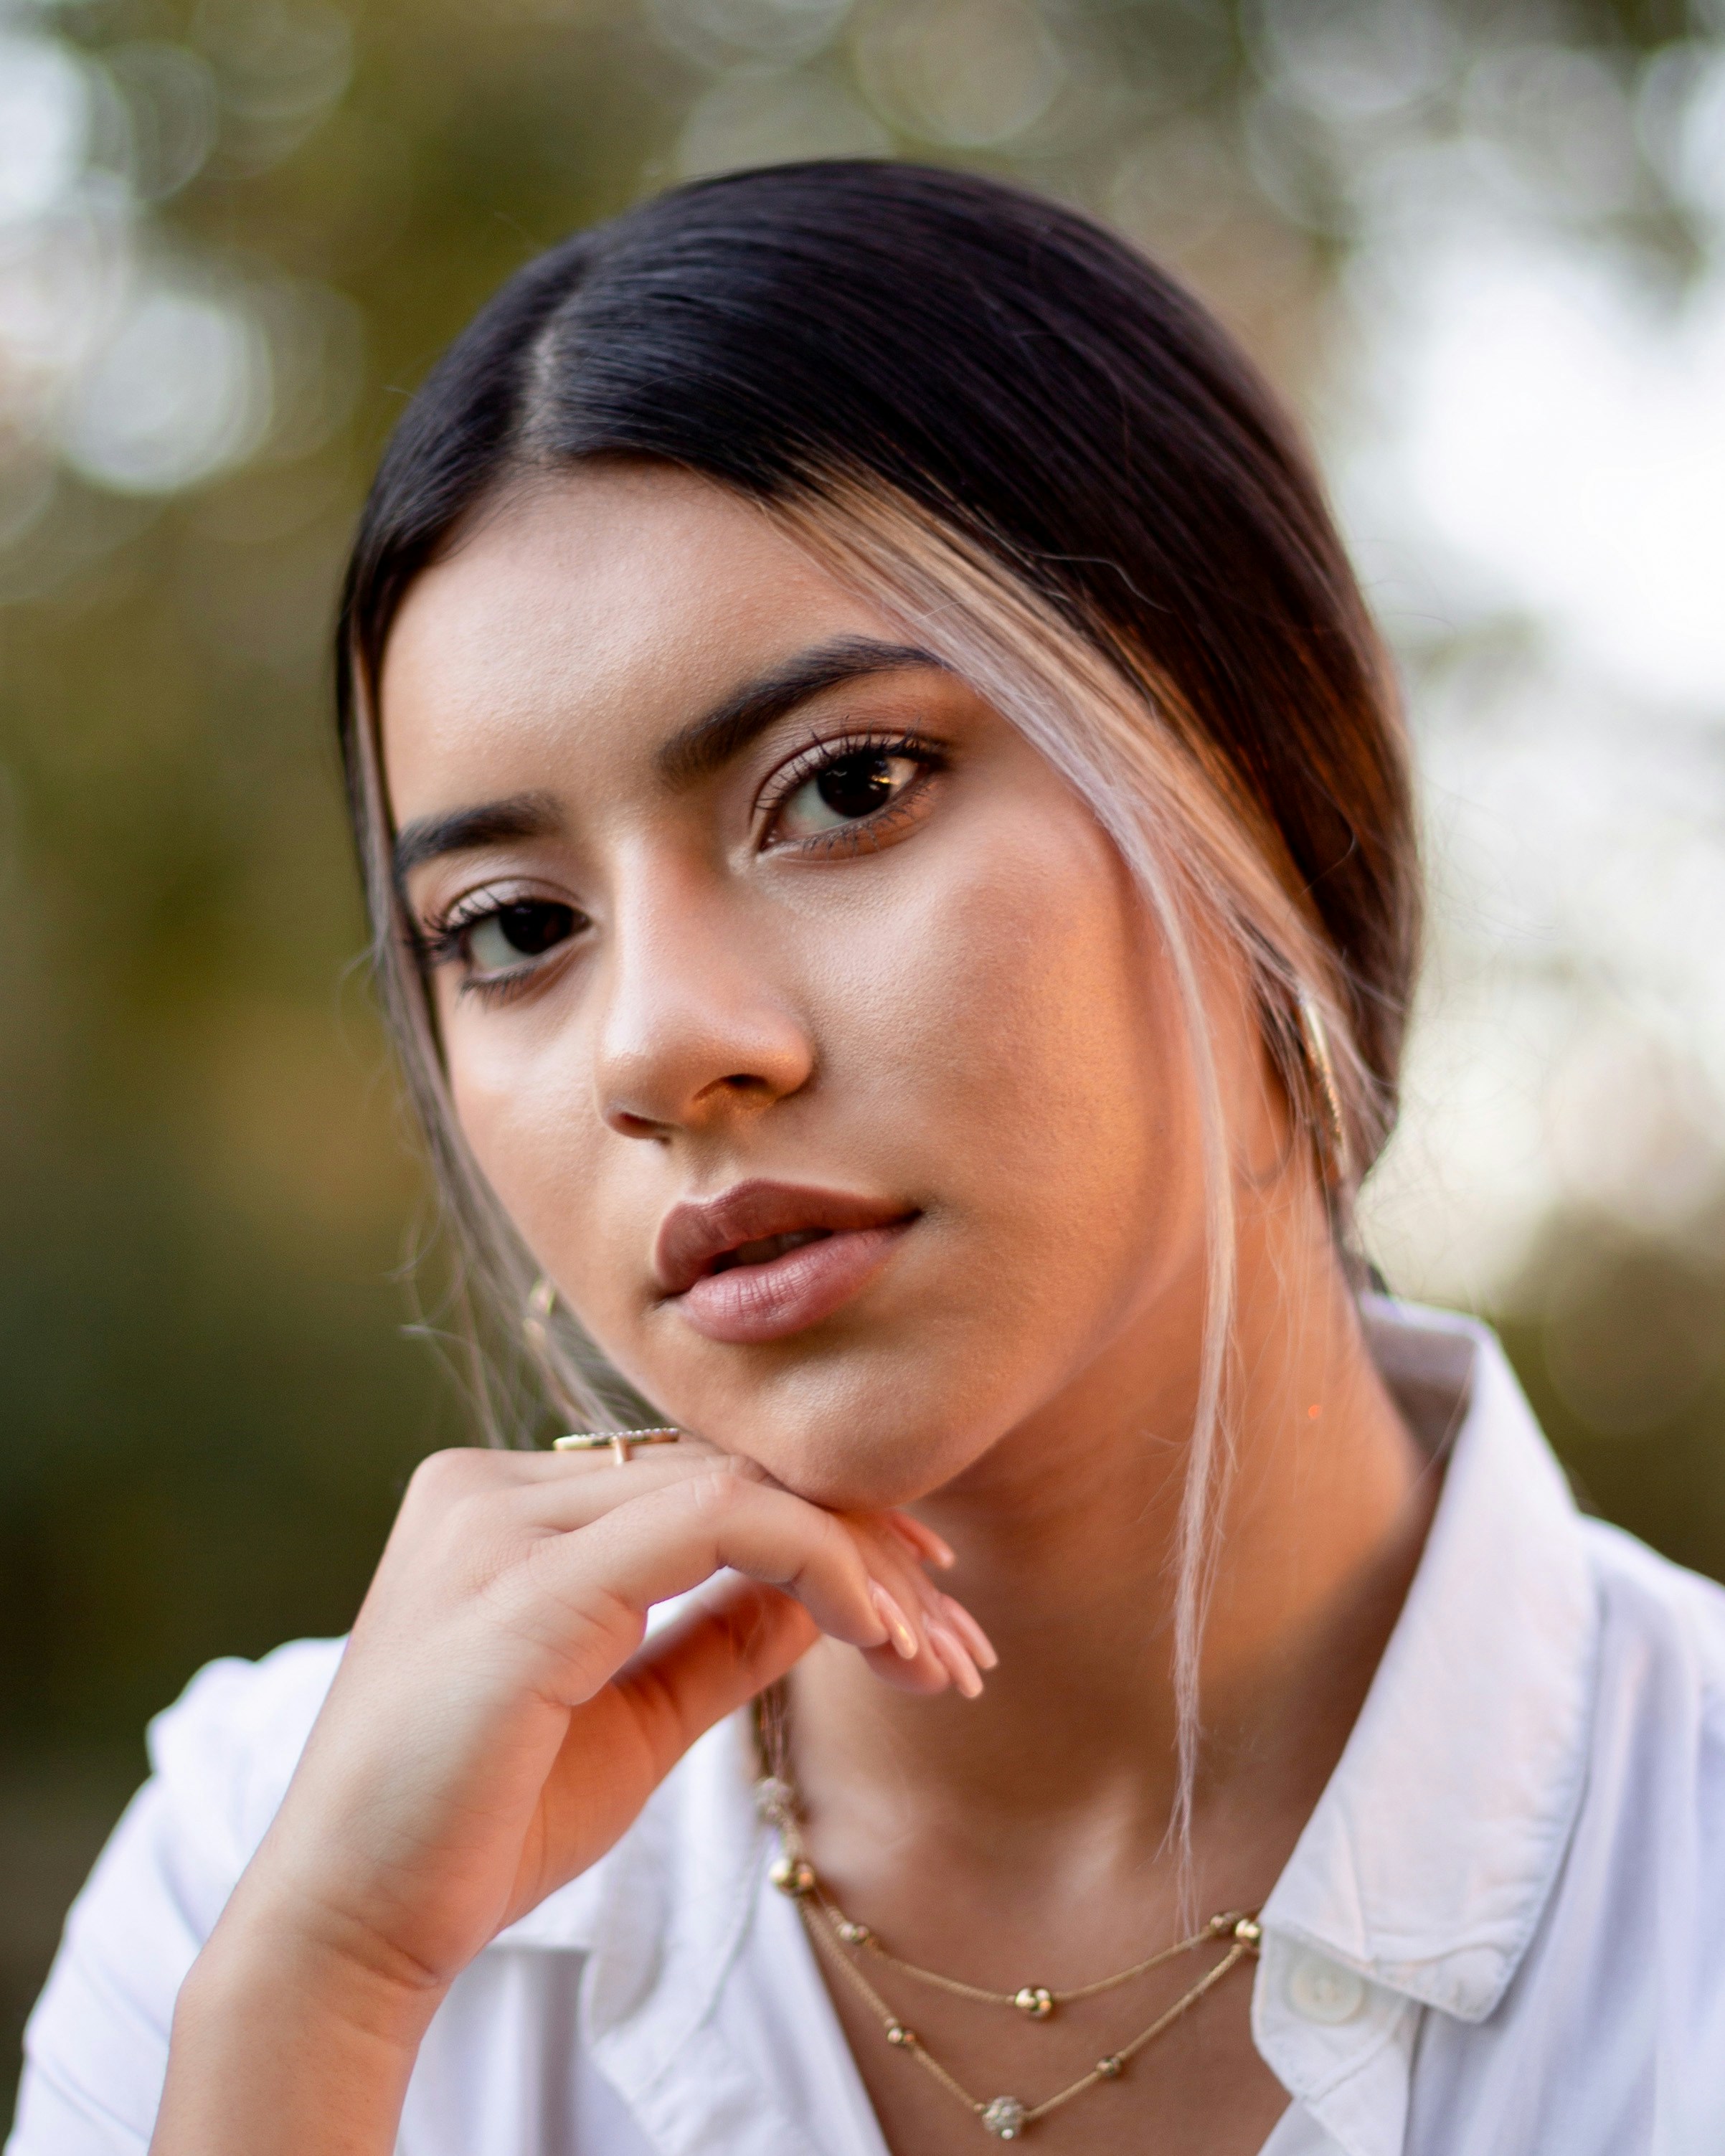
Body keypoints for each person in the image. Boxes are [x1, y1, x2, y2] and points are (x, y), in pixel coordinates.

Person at [11, 161, 1724, 2156]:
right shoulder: (258, 1866)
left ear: (1269, 771)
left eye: (844, 788)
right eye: (511, 928)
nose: (660, 1046)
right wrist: (318, 2012)